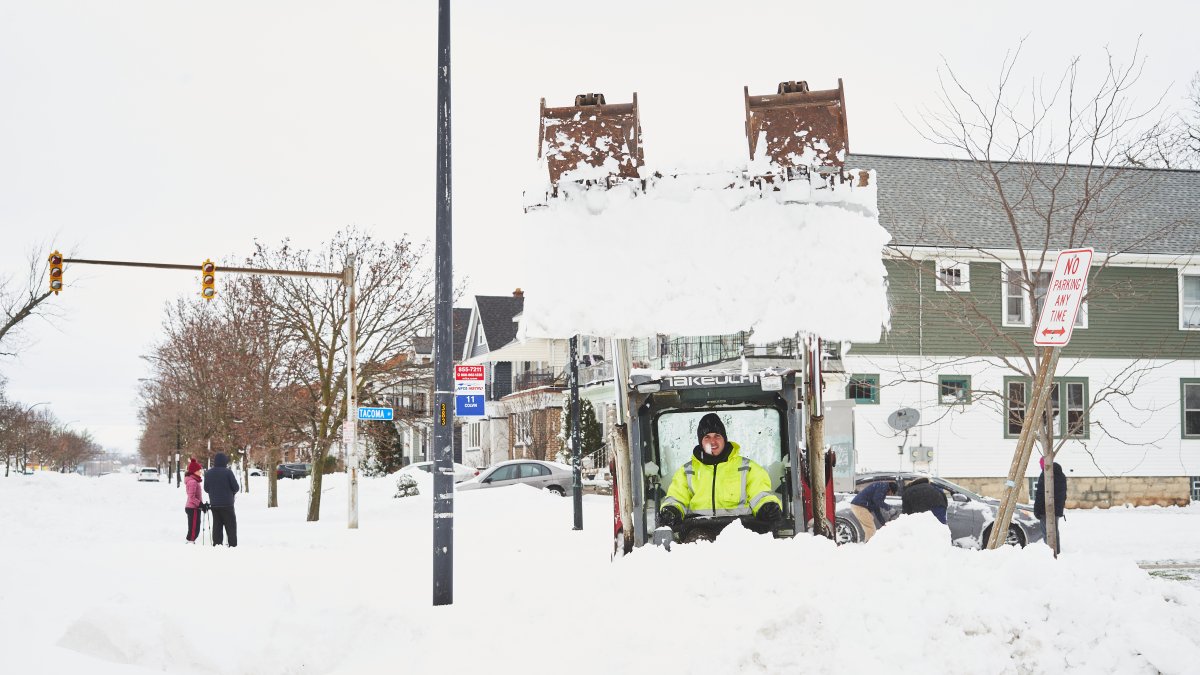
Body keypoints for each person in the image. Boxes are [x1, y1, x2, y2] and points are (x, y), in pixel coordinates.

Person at [657, 412, 783, 541]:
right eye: (707, 437)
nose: (713, 441)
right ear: (701, 442)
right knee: (698, 544)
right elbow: (677, 497)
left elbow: (760, 493)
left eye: (717, 436)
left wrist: (766, 506)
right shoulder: (687, 471)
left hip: (741, 527)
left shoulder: (746, 467)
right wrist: (672, 510)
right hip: (700, 527)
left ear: (724, 439)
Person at [203, 452, 240, 547]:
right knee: (230, 526)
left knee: (217, 526)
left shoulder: (208, 473)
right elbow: (236, 488)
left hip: (214, 504)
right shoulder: (228, 472)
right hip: (228, 504)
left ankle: (217, 545)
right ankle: (232, 546)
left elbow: (206, 489)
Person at [1033, 455, 1067, 554]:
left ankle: (1050, 554)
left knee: (1047, 533)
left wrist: (1037, 510)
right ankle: (1057, 552)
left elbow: (1040, 493)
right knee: (1055, 532)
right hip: (1057, 509)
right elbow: (1063, 494)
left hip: (1045, 509)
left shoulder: (1045, 474)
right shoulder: (1061, 474)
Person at [184, 458, 204, 543]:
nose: (200, 472)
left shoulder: (194, 481)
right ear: (194, 471)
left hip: (194, 507)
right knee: (194, 529)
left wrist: (201, 505)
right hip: (193, 508)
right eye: (199, 470)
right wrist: (200, 504)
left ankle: (190, 542)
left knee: (195, 528)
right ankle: (190, 543)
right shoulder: (193, 482)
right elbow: (191, 497)